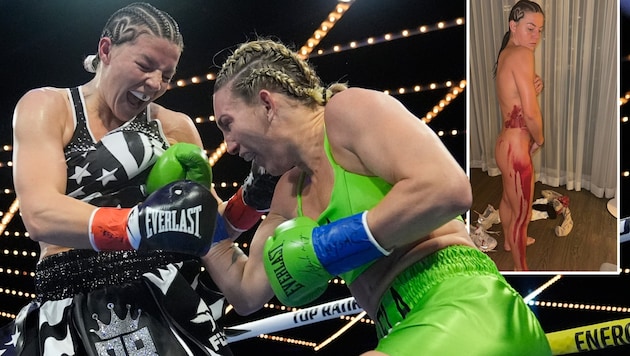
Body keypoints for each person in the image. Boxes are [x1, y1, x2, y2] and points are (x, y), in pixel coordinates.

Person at [206, 38, 552, 355]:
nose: (230, 145)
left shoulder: (347, 111)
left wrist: (329, 247)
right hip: (398, 329)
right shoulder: (287, 194)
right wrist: (204, 222)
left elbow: (448, 189)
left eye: (227, 123)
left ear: (266, 103)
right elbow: (247, 292)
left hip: (466, 304)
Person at [0, 3, 269, 354]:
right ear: (106, 50)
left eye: (167, 74)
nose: (155, 83)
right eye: (145, 65)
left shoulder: (175, 126)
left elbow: (207, 232)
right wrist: (142, 224)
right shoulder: (50, 107)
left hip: (162, 297)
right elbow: (40, 214)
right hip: (70, 297)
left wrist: (253, 197)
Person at [493, 0, 545, 271]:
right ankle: (519, 269)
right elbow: (531, 113)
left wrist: (536, 86)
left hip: (504, 145)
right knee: (522, 215)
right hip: (516, 151)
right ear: (513, 26)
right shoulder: (523, 55)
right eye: (530, 28)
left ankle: (510, 243)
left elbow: (516, 93)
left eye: (539, 30)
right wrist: (540, 139)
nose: (535, 36)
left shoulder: (507, 52)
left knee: (507, 198)